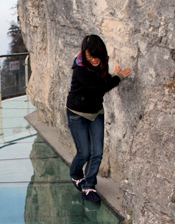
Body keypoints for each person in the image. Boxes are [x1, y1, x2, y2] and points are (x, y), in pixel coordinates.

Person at [66, 35, 132, 202]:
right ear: (84, 55)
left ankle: (88, 186)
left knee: (97, 153)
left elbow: (101, 82)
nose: (94, 60)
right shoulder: (79, 69)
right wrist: (117, 78)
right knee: (84, 152)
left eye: (97, 56)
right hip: (77, 114)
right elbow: (97, 87)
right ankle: (75, 174)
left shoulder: (102, 61)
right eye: (90, 57)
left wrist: (110, 77)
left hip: (96, 112)